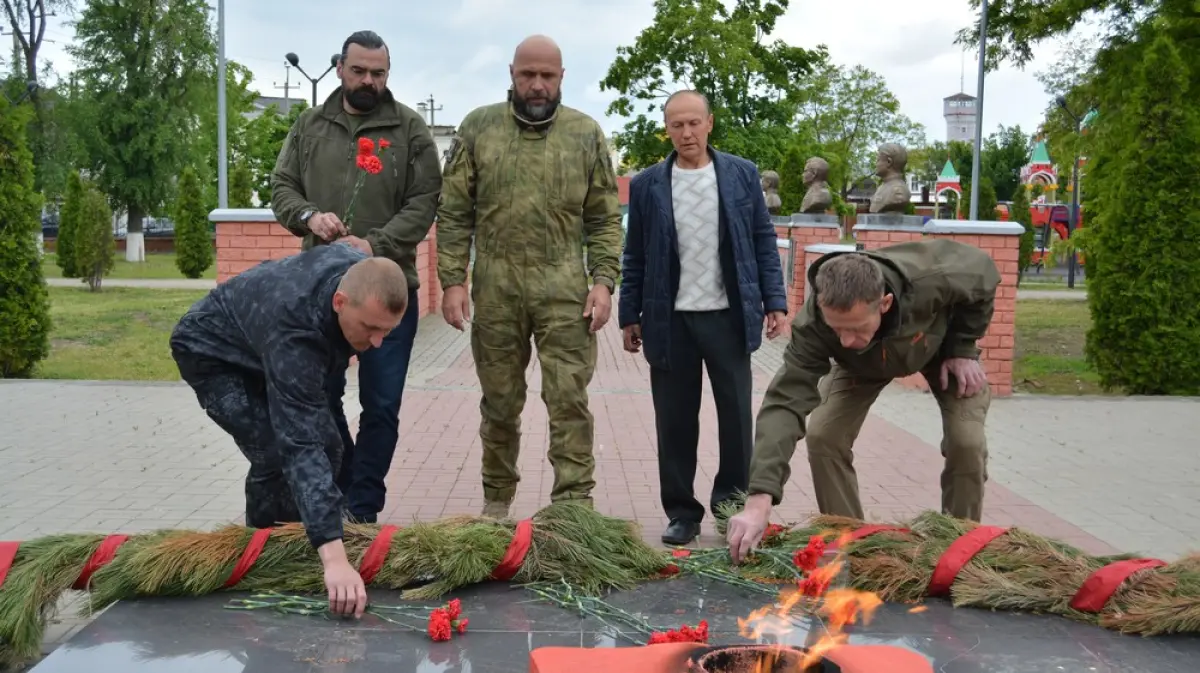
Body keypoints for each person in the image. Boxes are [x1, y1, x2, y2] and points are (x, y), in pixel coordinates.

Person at [435, 34, 624, 519]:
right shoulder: (478, 128)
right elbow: (454, 212)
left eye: (547, 76)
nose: (537, 85)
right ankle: (496, 504)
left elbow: (604, 218)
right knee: (499, 402)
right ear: (512, 74)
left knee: (568, 400)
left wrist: (603, 281)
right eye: (527, 74)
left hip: (565, 288)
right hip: (495, 288)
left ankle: (573, 507)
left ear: (561, 78)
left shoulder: (586, 134)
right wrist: (453, 280)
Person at [169, 243, 412, 616]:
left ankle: (303, 543)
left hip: (260, 344)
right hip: (213, 355)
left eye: (387, 331)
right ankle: (263, 559)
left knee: (332, 446)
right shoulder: (294, 329)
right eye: (371, 329)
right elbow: (299, 444)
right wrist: (334, 558)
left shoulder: (357, 276)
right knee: (276, 453)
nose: (377, 343)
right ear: (340, 302)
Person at [726, 240, 1000, 563]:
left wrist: (963, 346)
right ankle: (855, 547)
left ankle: (958, 550)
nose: (845, 341)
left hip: (938, 349)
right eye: (836, 329)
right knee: (824, 436)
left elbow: (985, 274)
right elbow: (786, 399)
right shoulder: (815, 324)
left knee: (966, 443)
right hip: (863, 366)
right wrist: (759, 500)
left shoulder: (929, 277)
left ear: (883, 304)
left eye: (855, 328)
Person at [270, 30, 442, 524]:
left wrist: (375, 245)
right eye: (360, 70)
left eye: (379, 73)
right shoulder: (309, 125)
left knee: (381, 406)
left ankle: (362, 507)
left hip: (389, 292)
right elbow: (282, 186)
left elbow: (425, 201)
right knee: (320, 400)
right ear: (341, 68)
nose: (369, 80)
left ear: (389, 73)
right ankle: (337, 492)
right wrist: (307, 217)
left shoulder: (409, 130)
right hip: (322, 293)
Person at [618, 90, 788, 546]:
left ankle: (731, 506)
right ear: (667, 129)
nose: (686, 133)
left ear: (710, 123)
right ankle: (681, 512)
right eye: (677, 125)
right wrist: (628, 314)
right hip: (669, 322)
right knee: (674, 421)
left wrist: (776, 301)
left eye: (694, 123)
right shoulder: (648, 183)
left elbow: (762, 240)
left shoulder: (740, 174)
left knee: (735, 418)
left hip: (727, 318)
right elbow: (633, 255)